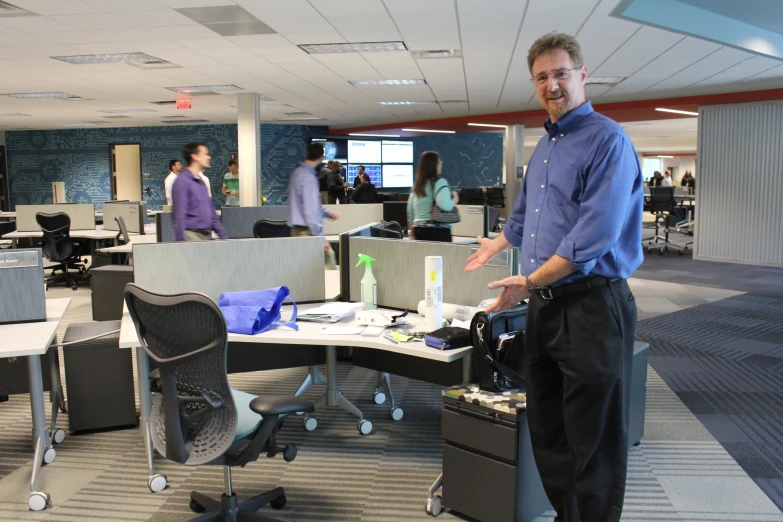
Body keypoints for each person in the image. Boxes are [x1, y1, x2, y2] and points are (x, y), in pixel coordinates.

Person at [465, 32, 642, 522]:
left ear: (583, 75)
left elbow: (592, 237)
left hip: (592, 306)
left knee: (594, 439)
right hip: (546, 305)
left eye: (561, 73)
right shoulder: (545, 146)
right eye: (542, 77)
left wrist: (531, 281)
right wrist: (499, 243)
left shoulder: (608, 140)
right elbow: (524, 217)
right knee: (549, 427)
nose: (552, 85)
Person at [288, 143, 340, 269]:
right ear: (321, 158)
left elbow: (305, 204)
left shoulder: (296, 173)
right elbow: (310, 211)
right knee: (329, 265)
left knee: (306, 273)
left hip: (296, 231)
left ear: (307, 154)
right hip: (308, 233)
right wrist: (320, 238)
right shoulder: (309, 178)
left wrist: (326, 212)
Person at [171, 142, 227, 242]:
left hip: (205, 236)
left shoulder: (201, 182)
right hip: (191, 237)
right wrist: (181, 244)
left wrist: (224, 237)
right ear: (195, 156)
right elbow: (179, 216)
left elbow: (212, 214)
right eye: (205, 154)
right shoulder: (182, 182)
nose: (209, 157)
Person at [406, 151, 458, 239]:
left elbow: (410, 212)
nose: (441, 163)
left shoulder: (417, 186)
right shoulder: (440, 182)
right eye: (439, 161)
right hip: (437, 231)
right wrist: (455, 199)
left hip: (418, 230)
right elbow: (445, 206)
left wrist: (412, 233)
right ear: (434, 165)